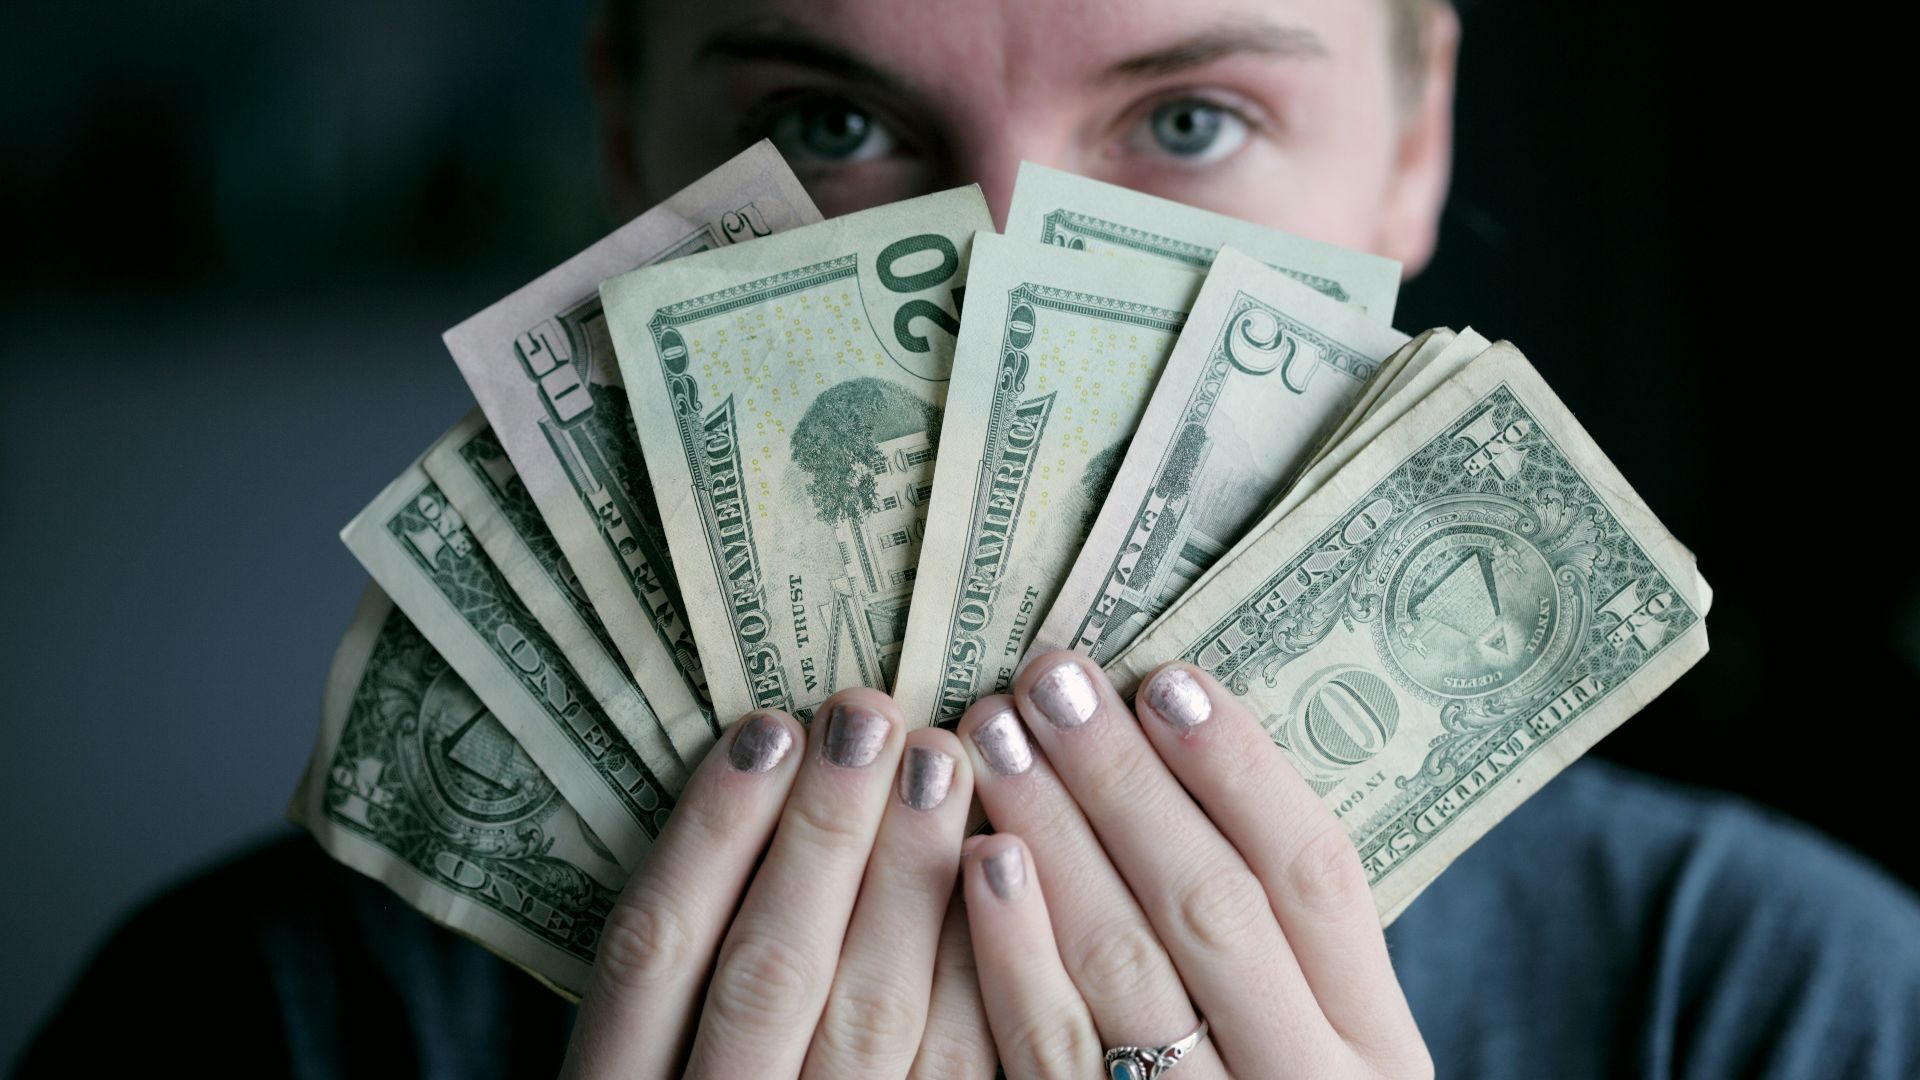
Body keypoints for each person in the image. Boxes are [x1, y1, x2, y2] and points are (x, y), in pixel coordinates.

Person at [19, 1, 1920, 1077]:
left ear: (1417, 143)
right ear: (625, 138)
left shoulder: (1797, 1007)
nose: (1001, 277)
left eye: (1188, 117)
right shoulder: (244, 1028)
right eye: (831, 117)